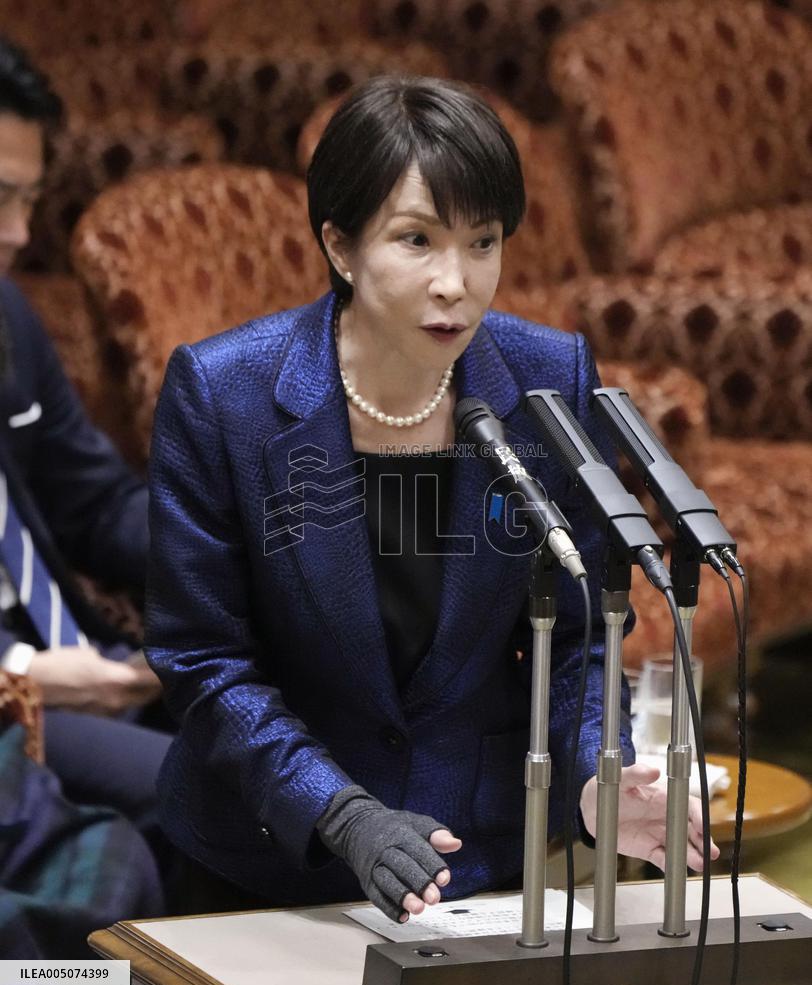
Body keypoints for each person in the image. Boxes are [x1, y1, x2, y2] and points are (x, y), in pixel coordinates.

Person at [146, 76, 718, 923]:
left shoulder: (547, 380)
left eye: (482, 243)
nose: (457, 281)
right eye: (417, 240)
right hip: (265, 861)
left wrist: (599, 776)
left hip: (473, 855)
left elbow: (581, 637)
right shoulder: (221, 393)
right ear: (340, 246)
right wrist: (339, 811)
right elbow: (204, 661)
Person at [0, 36, 171, 838]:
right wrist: (23, 673)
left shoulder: (7, 316)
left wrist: (231, 546)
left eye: (29, 201)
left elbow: (96, 503)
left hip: (84, 659)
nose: (19, 234)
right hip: (15, 700)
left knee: (293, 748)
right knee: (200, 795)